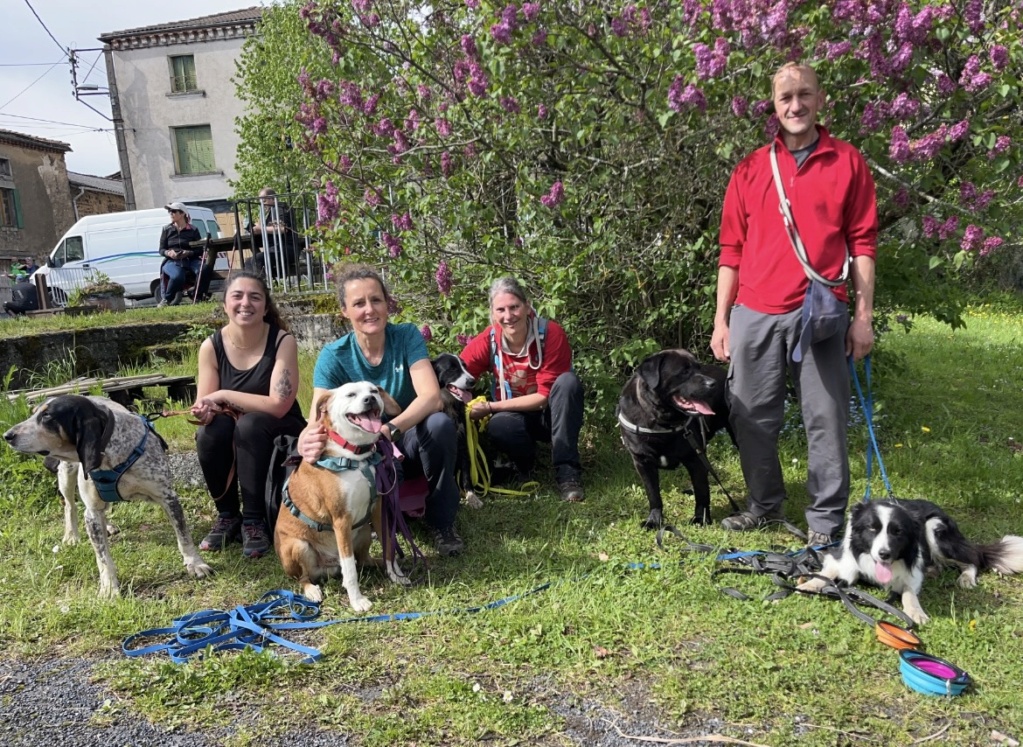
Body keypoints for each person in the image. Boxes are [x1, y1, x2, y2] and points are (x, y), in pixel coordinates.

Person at [711, 62, 878, 547]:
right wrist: (722, 320)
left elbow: (862, 244)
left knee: (825, 419)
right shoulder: (750, 168)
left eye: (805, 94)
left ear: (821, 99)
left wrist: (863, 318)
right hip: (755, 311)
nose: (795, 105)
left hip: (821, 312)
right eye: (785, 97)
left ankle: (825, 524)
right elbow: (730, 251)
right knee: (750, 416)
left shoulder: (848, 162)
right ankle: (763, 506)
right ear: (774, 104)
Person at [296, 263, 465, 556]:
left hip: (407, 440)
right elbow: (317, 416)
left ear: (388, 304)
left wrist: (389, 429)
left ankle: (442, 523)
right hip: (362, 453)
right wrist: (305, 439)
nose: (369, 309)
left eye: (376, 300)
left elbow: (431, 397)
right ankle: (376, 523)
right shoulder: (333, 356)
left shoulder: (407, 336)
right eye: (358, 303)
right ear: (344, 311)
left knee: (439, 424)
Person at [191, 271, 306, 558]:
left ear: (266, 307)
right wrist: (204, 411)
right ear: (225, 305)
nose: (246, 303)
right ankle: (228, 516)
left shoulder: (282, 341)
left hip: (282, 428)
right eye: (237, 296)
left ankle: (254, 521)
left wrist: (225, 396)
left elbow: (279, 404)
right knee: (210, 431)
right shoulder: (210, 346)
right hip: (237, 428)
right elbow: (207, 403)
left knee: (251, 425)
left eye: (255, 297)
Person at [460, 277, 585, 502]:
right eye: (501, 310)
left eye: (514, 307)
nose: (508, 316)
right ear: (492, 313)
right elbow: (460, 371)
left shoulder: (552, 334)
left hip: (552, 415)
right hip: (516, 418)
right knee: (499, 425)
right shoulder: (488, 340)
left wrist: (490, 407)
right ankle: (523, 464)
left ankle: (567, 472)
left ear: (527, 307)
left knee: (568, 383)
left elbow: (544, 397)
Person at [158, 202, 211, 307]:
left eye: (173, 211)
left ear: (182, 214)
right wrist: (168, 252)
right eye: (169, 211)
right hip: (172, 261)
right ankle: (166, 300)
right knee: (178, 276)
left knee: (204, 269)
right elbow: (161, 250)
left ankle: (198, 296)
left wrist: (189, 253)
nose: (170, 214)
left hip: (190, 259)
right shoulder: (166, 229)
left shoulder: (193, 229)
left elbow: (200, 250)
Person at [246, 188, 299, 279]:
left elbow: (283, 228)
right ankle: (264, 283)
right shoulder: (272, 211)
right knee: (249, 261)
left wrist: (261, 228)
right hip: (275, 249)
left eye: (264, 200)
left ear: (272, 198)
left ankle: (261, 285)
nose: (262, 203)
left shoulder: (280, 208)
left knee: (257, 259)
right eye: (261, 201)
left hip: (286, 249)